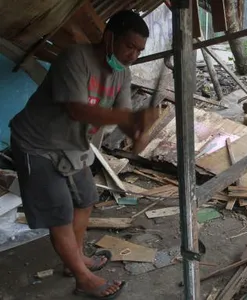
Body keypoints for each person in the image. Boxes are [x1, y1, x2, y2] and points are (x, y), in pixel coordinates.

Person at [9, 10, 159, 299]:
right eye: (129, 46)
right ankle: (82, 278)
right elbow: (76, 110)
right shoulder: (75, 58)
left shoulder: (122, 73)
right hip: (37, 144)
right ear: (109, 37)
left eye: (139, 50)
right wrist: (130, 120)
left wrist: (139, 131)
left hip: (73, 145)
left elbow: (124, 117)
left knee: (85, 199)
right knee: (59, 214)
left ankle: (74, 260)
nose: (133, 55)